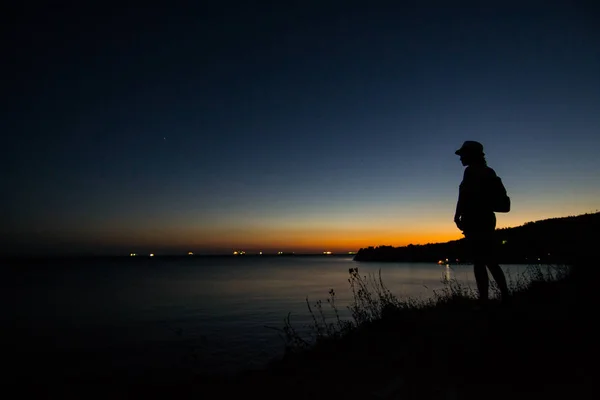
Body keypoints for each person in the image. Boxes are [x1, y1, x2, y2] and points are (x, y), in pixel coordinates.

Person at [454, 141, 510, 304]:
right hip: (486, 219)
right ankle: (505, 296)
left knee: (479, 262)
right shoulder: (488, 171)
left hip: (476, 220)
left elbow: (464, 196)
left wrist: (458, 216)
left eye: (463, 155)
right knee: (490, 260)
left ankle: (484, 301)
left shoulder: (471, 171)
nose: (460, 159)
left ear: (471, 154)